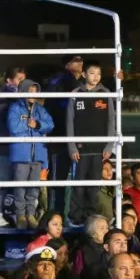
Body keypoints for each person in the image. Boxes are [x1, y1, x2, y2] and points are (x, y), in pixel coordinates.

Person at [66, 62, 115, 224]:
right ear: (85, 74)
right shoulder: (75, 93)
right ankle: (75, 217)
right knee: (78, 185)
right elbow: (70, 122)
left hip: (99, 149)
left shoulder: (106, 93)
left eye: (98, 73)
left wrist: (109, 145)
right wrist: (72, 147)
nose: (95, 76)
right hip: (80, 149)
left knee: (94, 186)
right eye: (92, 73)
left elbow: (111, 121)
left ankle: (90, 217)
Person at [8, 78, 54, 229]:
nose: (33, 94)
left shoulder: (40, 109)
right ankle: (20, 215)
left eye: (35, 91)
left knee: (33, 188)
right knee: (20, 188)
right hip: (21, 156)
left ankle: (31, 215)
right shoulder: (15, 108)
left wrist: (38, 125)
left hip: (38, 155)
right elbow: (13, 127)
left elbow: (50, 124)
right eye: (30, 91)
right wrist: (28, 124)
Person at [44, 55, 85, 214]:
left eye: (81, 60)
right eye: (76, 60)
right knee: (57, 179)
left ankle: (71, 214)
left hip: (76, 137)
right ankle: (56, 216)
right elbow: (55, 108)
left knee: (77, 179)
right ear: (67, 64)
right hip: (60, 137)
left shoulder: (82, 81)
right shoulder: (59, 81)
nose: (80, 63)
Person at [0, 67, 28, 226]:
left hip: (19, 145)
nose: (22, 83)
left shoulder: (23, 97)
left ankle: (11, 212)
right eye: (19, 79)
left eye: (24, 79)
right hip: (4, 145)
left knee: (18, 180)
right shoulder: (1, 97)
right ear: (9, 80)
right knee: (4, 179)